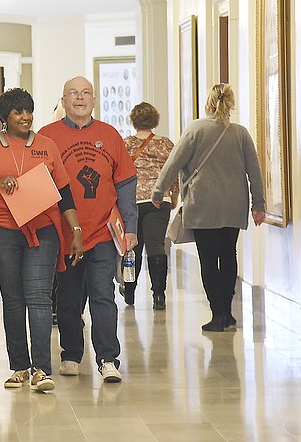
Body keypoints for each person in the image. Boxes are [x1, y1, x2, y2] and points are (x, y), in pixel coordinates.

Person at [0, 88, 83, 392]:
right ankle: (18, 366)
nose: (25, 117)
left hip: (43, 229)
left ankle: (41, 369)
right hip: (2, 230)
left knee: (39, 297)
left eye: (28, 111)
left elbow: (65, 192)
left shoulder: (47, 145)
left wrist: (76, 231)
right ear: (5, 118)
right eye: (18, 112)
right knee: (13, 299)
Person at [39, 76, 138, 383]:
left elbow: (125, 184)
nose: (79, 99)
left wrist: (131, 227)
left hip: (103, 233)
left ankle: (108, 358)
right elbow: (39, 184)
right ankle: (70, 354)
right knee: (67, 297)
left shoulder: (109, 135)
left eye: (85, 94)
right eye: (72, 94)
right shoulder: (47, 136)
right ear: (63, 101)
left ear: (94, 100)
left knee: (103, 295)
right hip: (65, 234)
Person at [151, 83, 266, 332]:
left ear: (208, 103)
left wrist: (158, 191)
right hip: (233, 206)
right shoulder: (240, 133)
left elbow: (173, 163)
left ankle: (218, 314)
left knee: (208, 260)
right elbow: (254, 172)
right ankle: (227, 311)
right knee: (228, 256)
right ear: (230, 104)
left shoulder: (195, 129)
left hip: (202, 206)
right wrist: (259, 204)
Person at [123, 102, 179, 309]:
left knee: (132, 248)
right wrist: (173, 195)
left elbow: (118, 173)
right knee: (157, 246)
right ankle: (159, 295)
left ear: (134, 120)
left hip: (133, 202)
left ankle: (129, 291)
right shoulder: (165, 144)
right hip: (158, 201)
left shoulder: (126, 144)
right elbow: (174, 170)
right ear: (154, 119)